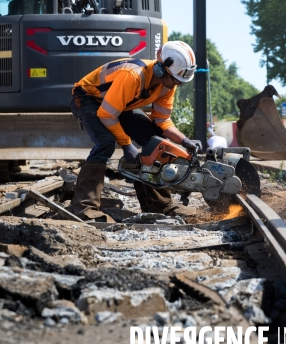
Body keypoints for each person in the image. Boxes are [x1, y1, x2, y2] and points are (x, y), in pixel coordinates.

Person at [70, 40, 202, 221]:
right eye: (175, 80)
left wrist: (183, 140)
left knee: (155, 141)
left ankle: (160, 206)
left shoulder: (167, 85)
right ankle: (85, 208)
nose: (177, 85)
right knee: (105, 143)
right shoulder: (132, 76)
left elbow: (162, 119)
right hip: (87, 99)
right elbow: (107, 115)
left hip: (118, 106)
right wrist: (127, 145)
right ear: (161, 69)